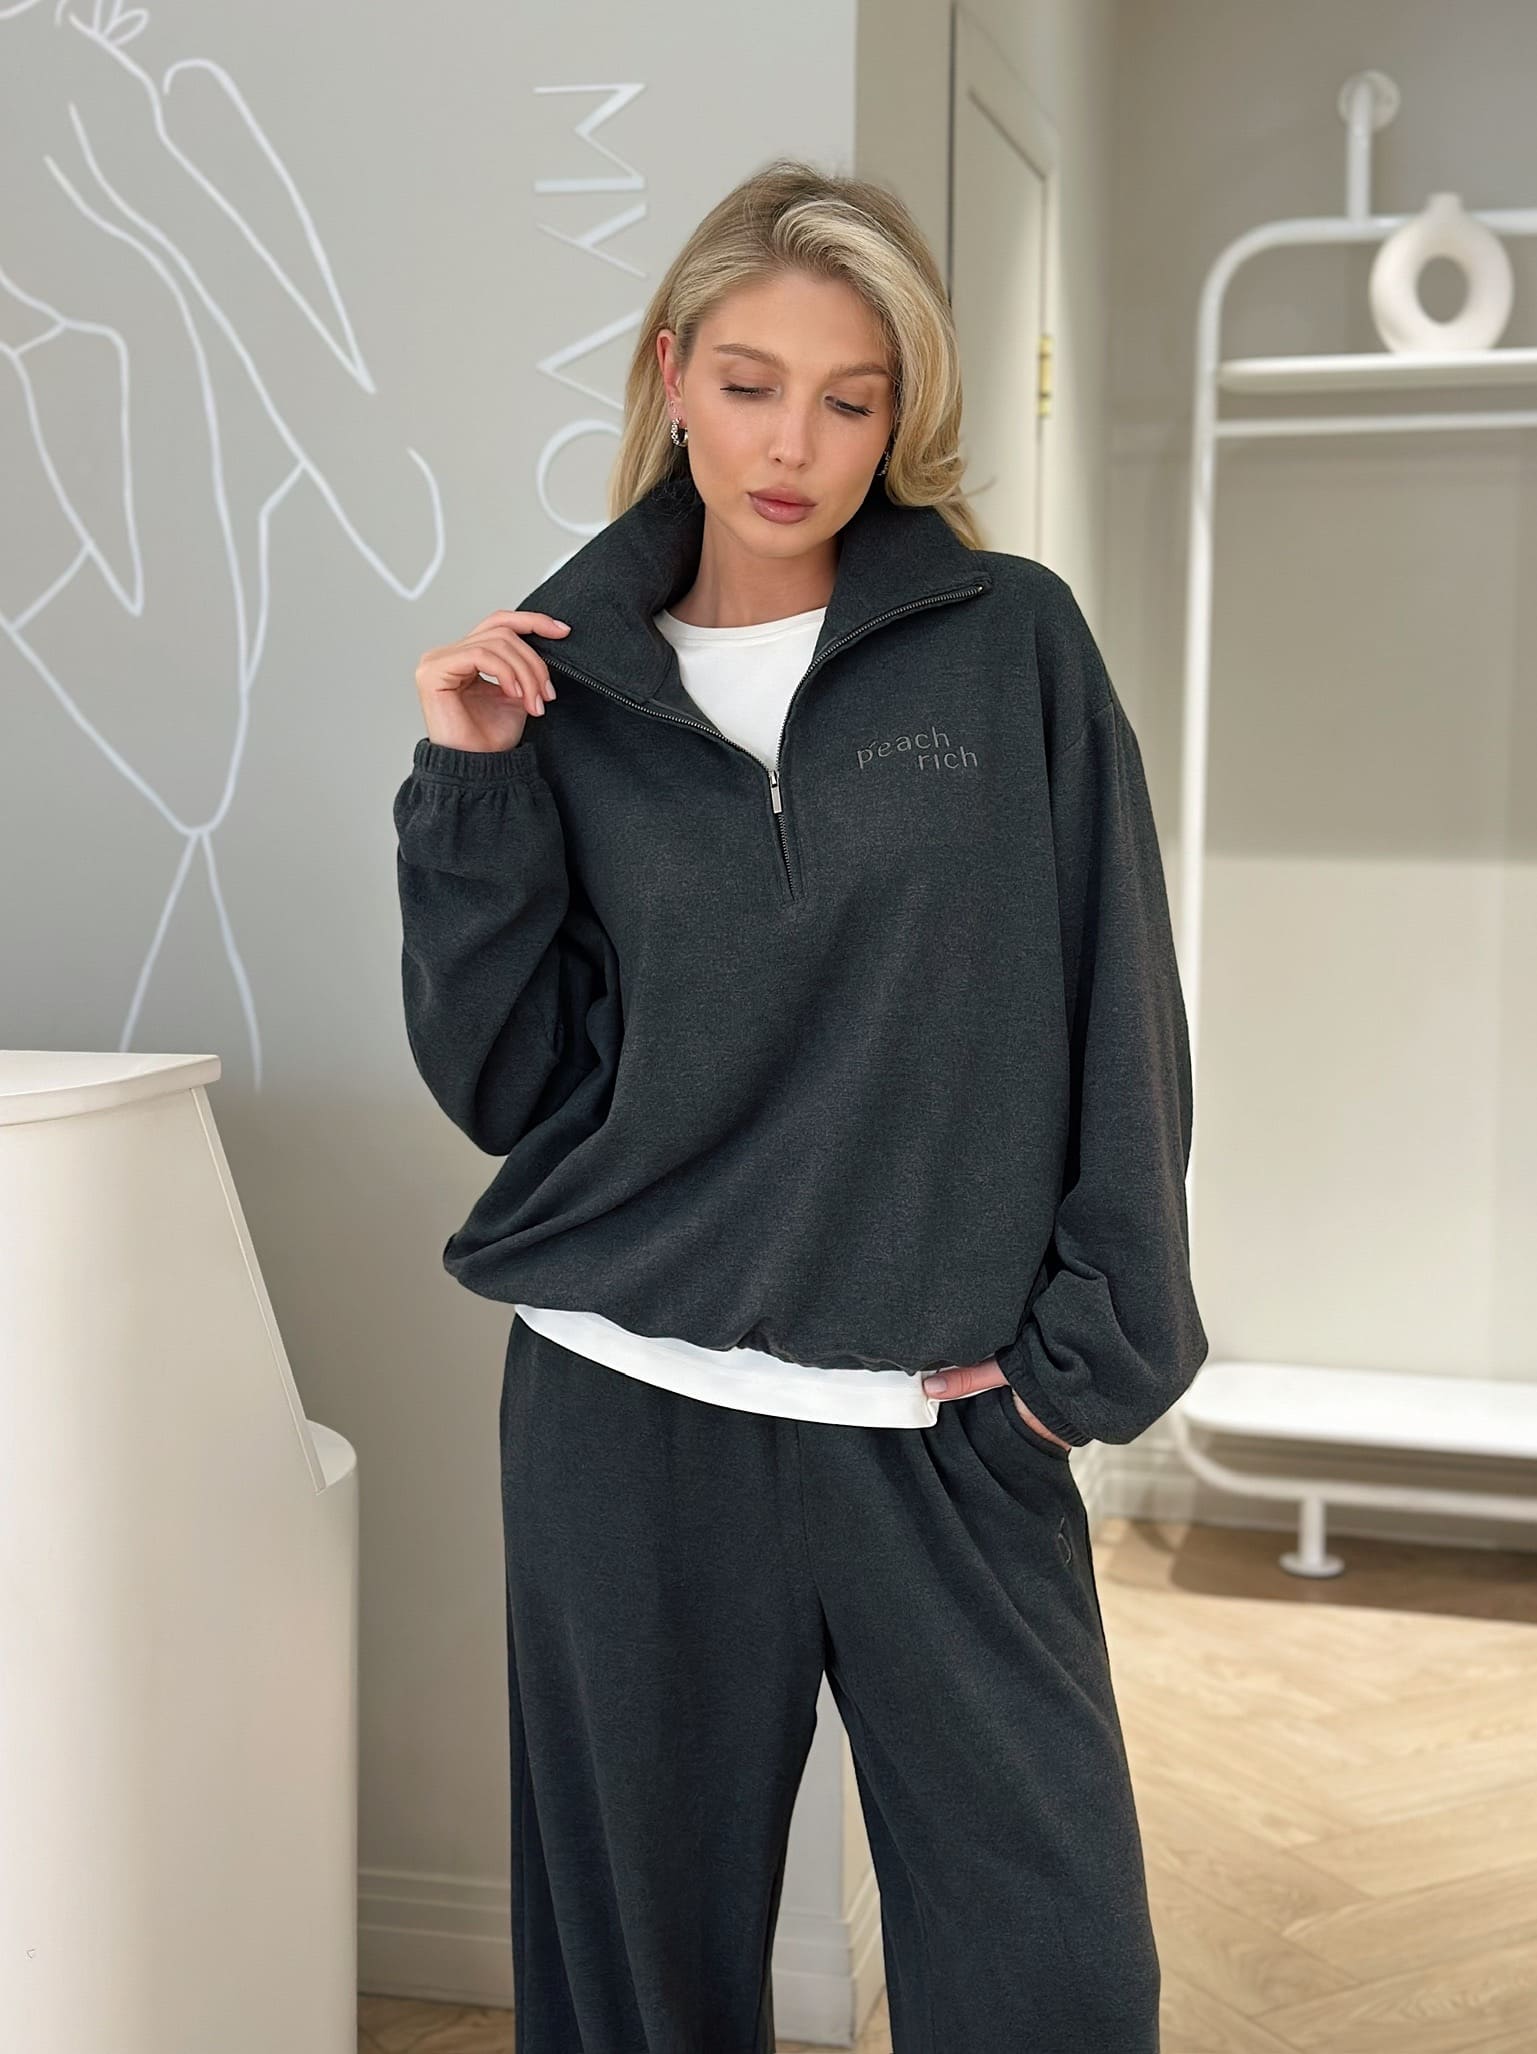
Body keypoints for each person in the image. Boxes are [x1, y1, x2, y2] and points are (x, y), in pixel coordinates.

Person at [393, 158, 1207, 2054]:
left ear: (896, 416)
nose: (792, 445)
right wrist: (473, 790)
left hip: (937, 1423)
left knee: (1054, 1981)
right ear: (672, 373)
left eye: (849, 400)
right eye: (752, 385)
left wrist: (1082, 1364)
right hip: (621, 1410)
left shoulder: (1007, 642)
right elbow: (507, 1087)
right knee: (635, 1996)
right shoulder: (564, 689)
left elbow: (1120, 1010)